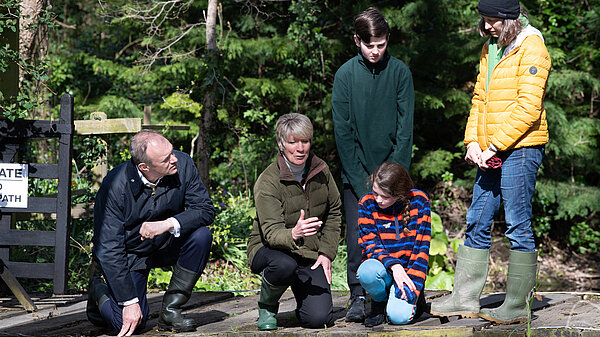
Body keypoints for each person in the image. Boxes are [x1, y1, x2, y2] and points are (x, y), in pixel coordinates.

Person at [430, 0, 551, 325]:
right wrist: (473, 141)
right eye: (484, 21)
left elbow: (528, 107)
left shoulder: (532, 47)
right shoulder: (490, 48)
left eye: (492, 21)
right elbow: (480, 99)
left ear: (509, 19)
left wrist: (494, 145)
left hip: (521, 148)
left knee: (517, 223)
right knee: (477, 218)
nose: (487, 26)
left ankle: (515, 305)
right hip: (490, 151)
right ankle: (464, 298)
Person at [86, 130, 215, 336]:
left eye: (172, 152)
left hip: (166, 242)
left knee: (201, 236)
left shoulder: (183, 163)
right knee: (128, 324)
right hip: (132, 254)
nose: (175, 160)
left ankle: (170, 311)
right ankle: (98, 290)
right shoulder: (115, 185)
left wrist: (167, 224)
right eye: (166, 159)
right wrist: (129, 301)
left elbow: (205, 210)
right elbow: (109, 247)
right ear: (144, 167)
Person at [332, 7, 415, 323]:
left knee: (397, 236)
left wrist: (392, 181)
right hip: (357, 176)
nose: (376, 51)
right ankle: (357, 296)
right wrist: (361, 180)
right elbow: (344, 132)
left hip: (395, 175)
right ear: (357, 41)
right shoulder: (345, 76)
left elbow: (405, 129)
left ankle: (392, 294)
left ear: (387, 40)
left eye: (381, 44)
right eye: (370, 45)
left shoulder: (400, 73)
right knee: (357, 239)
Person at [246, 113, 342, 330]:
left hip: (308, 253)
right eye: (293, 142)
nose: (300, 148)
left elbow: (334, 211)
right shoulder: (268, 180)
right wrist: (294, 233)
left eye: (305, 141)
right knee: (284, 265)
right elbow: (270, 232)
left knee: (319, 320)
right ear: (281, 144)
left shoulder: (321, 170)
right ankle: (267, 305)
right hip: (269, 250)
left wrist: (326, 252)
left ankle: (303, 303)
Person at [356, 162, 431, 327]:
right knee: (366, 272)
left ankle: (414, 299)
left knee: (398, 317)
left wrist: (413, 285)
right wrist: (394, 266)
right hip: (384, 268)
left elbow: (421, 250)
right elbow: (370, 245)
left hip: (409, 273)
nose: (378, 200)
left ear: (400, 194)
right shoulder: (367, 204)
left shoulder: (419, 201)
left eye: (385, 196)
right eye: (375, 193)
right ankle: (379, 303)